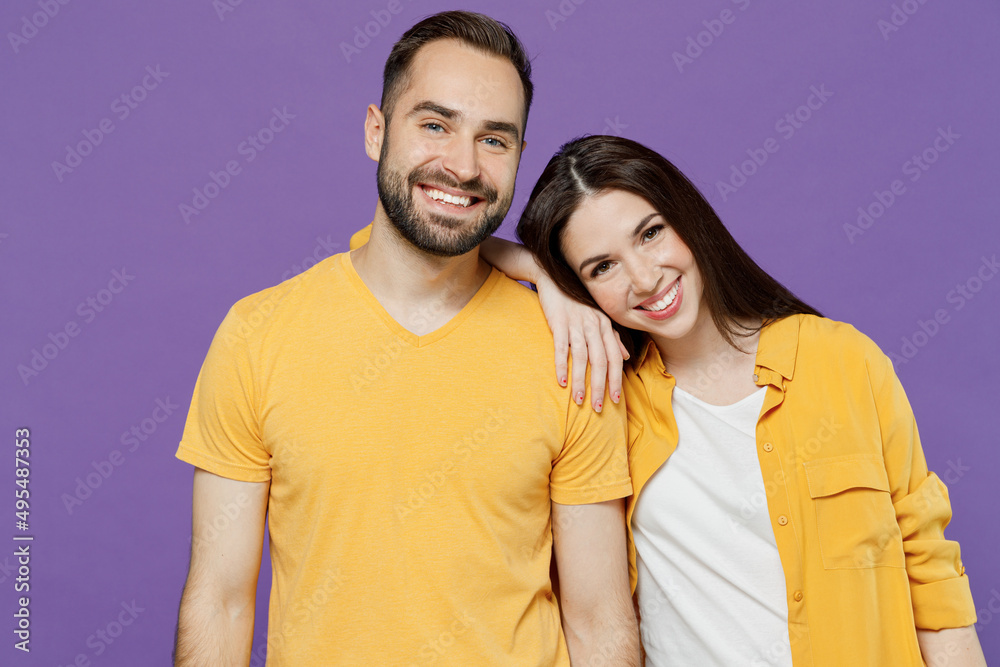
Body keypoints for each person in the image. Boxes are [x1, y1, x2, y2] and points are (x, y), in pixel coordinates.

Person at [172, 13, 639, 666]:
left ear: (518, 158)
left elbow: (600, 624)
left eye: (495, 140)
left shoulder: (572, 350)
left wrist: (543, 272)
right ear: (376, 130)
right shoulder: (258, 336)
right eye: (435, 125)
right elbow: (219, 601)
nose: (463, 165)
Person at [482, 134, 986, 666]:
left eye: (651, 234)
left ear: (687, 217)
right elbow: (453, 247)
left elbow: (929, 573)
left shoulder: (843, 360)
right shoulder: (605, 401)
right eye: (601, 267)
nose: (645, 278)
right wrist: (539, 273)